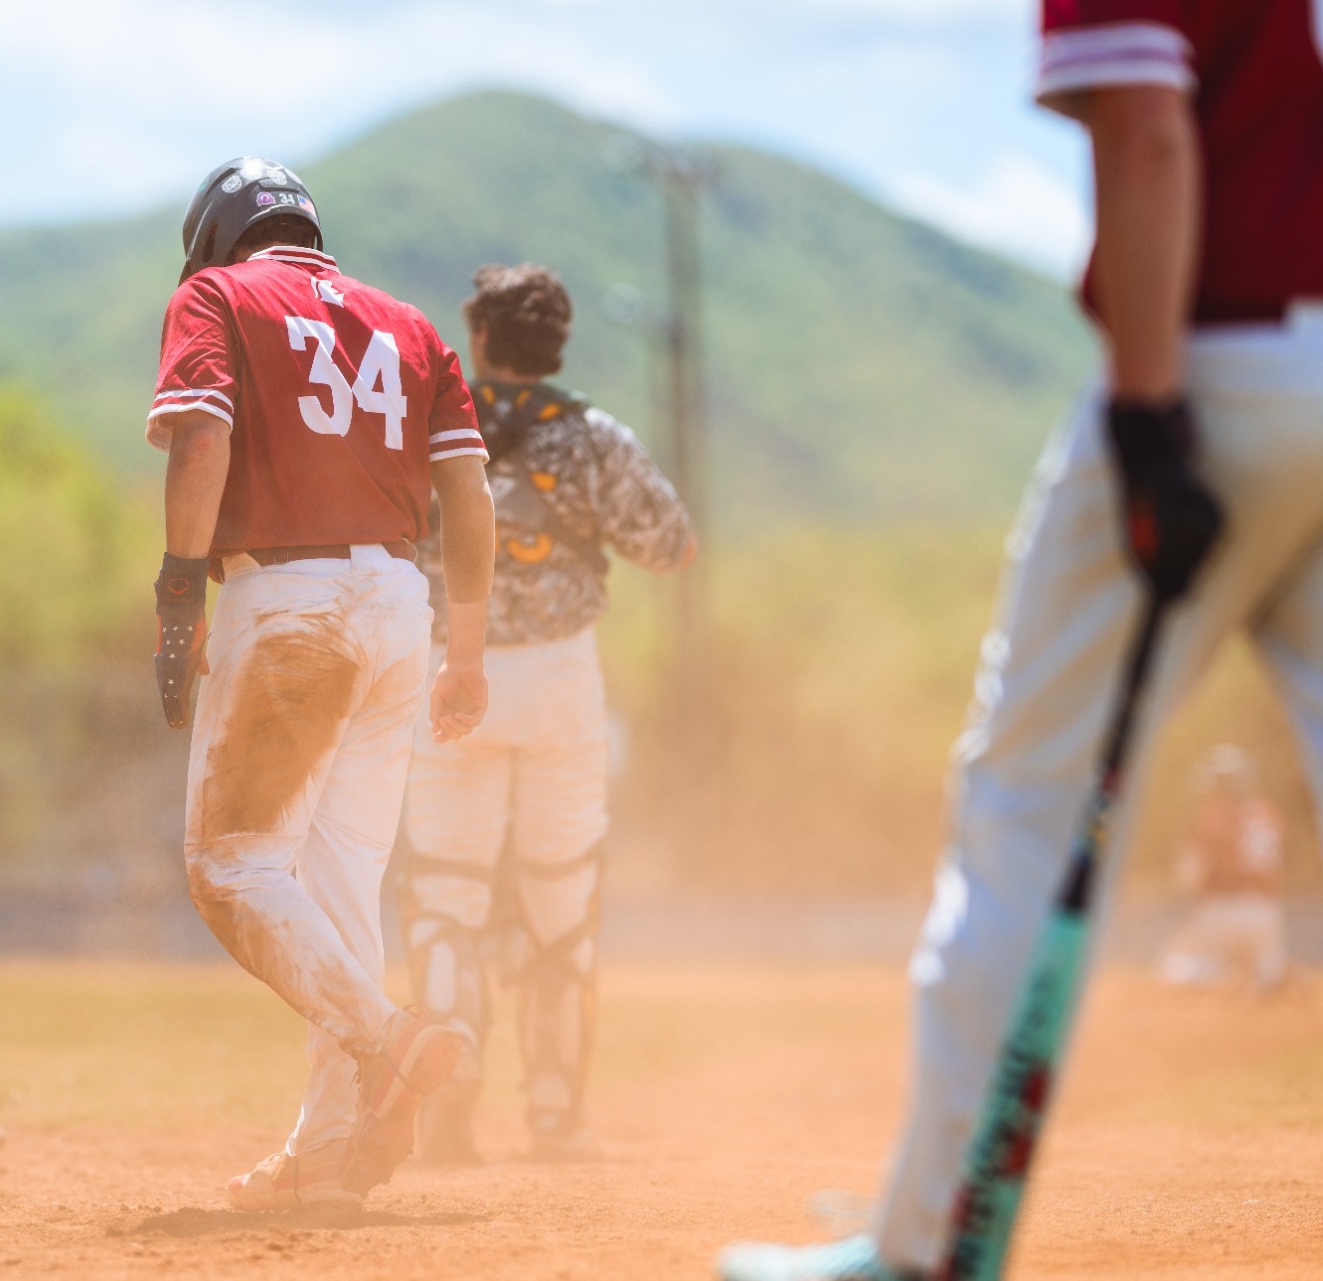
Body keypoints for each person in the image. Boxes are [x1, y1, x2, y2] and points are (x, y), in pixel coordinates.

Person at [721, 1, 1323, 1277]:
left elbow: (1149, 135)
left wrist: (1149, 417)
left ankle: (932, 1242)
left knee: (1023, 806)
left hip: (1225, 370)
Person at [147, 157, 500, 1211]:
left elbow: (200, 435)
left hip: (289, 606)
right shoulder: (407, 322)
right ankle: (325, 1159)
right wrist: (467, 651)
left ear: (215, 238)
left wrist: (177, 596)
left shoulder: (212, 295)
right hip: (400, 608)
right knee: (340, 889)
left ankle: (390, 1039)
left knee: (228, 867)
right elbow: (467, 495)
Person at [399, 263, 695, 1163]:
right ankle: (558, 1114)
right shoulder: (593, 435)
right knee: (561, 896)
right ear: (557, 344)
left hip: (454, 673)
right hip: (563, 683)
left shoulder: (430, 421)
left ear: (479, 338)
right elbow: (671, 545)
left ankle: (448, 1107)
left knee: (446, 892)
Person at [1157, 744, 1290, 993]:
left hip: (1221, 911)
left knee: (1175, 970)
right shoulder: (1268, 813)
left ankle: (1223, 977)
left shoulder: (1213, 818)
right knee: (1266, 972)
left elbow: (1190, 877)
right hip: (1267, 915)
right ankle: (1268, 972)